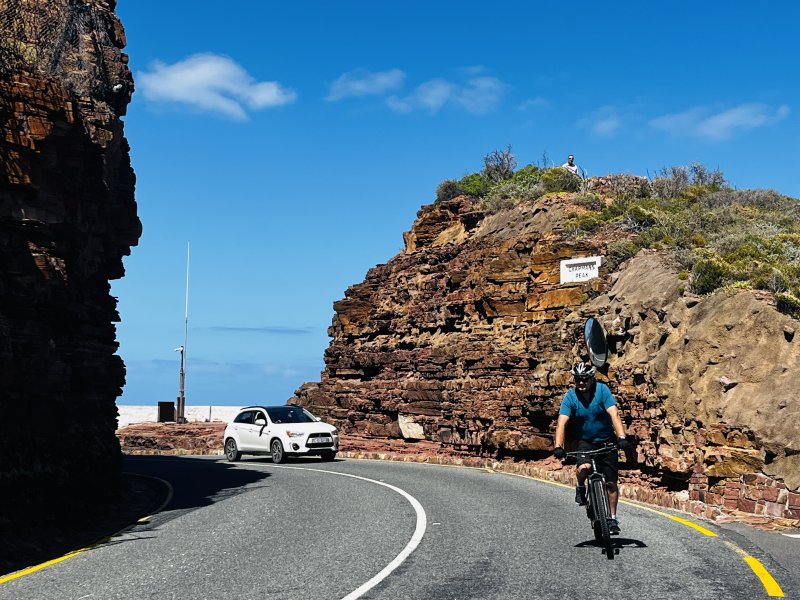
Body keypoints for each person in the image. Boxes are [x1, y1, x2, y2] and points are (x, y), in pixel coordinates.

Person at [553, 363, 631, 535]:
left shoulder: (602, 390)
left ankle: (612, 518)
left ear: (591, 378)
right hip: (585, 441)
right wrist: (558, 446)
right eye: (578, 379)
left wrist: (622, 437)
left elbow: (614, 414)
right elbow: (562, 422)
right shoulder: (570, 397)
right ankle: (581, 486)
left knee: (611, 483)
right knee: (583, 468)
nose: (581, 383)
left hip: (606, 441)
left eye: (585, 379)